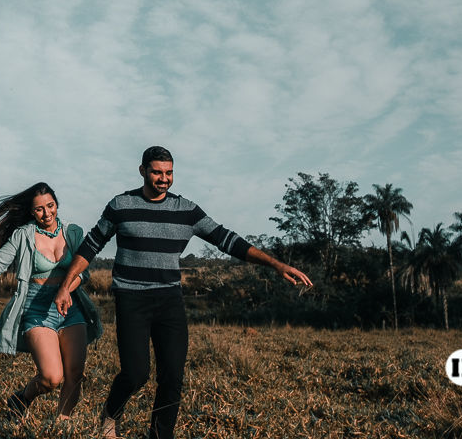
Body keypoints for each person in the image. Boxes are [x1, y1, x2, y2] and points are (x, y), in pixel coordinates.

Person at [54, 146, 313, 439]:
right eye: (157, 172)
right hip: (131, 298)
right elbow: (91, 245)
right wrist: (65, 287)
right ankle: (110, 416)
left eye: (169, 173)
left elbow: (228, 240)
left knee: (173, 377)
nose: (163, 178)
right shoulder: (121, 205)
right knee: (136, 374)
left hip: (169, 300)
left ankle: (160, 435)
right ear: (142, 171)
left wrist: (276, 265)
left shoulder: (186, 210)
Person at [0, 182, 103, 420]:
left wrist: (64, 290)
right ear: (32, 212)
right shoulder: (24, 235)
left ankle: (61, 425)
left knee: (75, 373)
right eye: (39, 209)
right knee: (51, 377)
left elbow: (83, 273)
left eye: (50, 206)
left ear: (56, 204)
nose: (47, 213)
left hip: (70, 307)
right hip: (36, 308)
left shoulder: (73, 232)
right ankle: (22, 398)